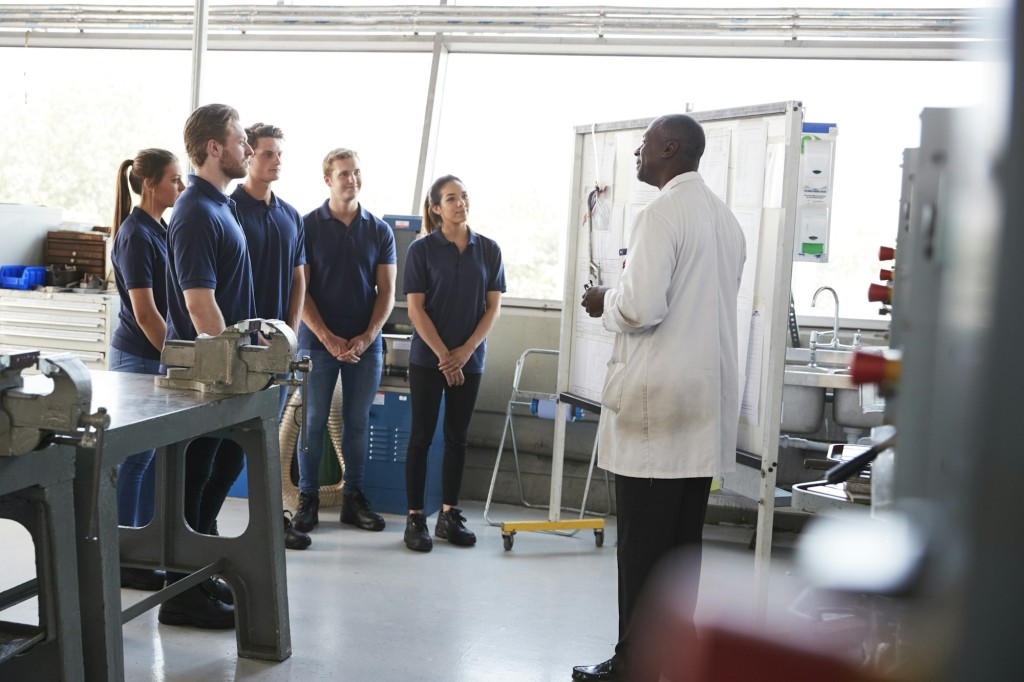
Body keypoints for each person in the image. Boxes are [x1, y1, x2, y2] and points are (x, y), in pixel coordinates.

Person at [573, 114, 747, 682]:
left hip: (659, 410)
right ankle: (675, 657)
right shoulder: (725, 220)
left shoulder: (660, 214)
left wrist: (604, 298)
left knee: (644, 550)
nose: (638, 156)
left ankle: (635, 665)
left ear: (670, 148)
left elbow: (640, 308)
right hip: (700, 407)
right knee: (679, 549)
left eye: (644, 146)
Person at [158, 103, 256, 630]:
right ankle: (181, 595)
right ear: (214, 148)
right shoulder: (195, 210)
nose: (246, 148)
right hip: (207, 373)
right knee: (196, 476)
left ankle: (197, 574)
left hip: (226, 368)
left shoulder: (222, 205)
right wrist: (232, 364)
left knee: (224, 467)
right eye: (240, 140)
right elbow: (199, 304)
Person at [292, 148, 396, 535]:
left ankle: (354, 499)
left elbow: (387, 292)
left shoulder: (379, 230)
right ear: (327, 180)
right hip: (318, 343)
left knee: (356, 423)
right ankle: (308, 500)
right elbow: (300, 290)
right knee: (313, 422)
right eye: (343, 174)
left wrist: (366, 337)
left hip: (365, 345)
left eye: (355, 173)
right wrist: (328, 337)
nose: (351, 179)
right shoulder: (306, 226)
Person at [402, 175, 505, 553]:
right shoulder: (421, 251)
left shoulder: (489, 250)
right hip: (429, 360)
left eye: (463, 196)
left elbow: (492, 309)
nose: (460, 203)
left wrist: (464, 352)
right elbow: (415, 309)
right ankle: (415, 518)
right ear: (435, 209)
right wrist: (447, 356)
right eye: (451, 198)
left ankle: (449, 515)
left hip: (470, 360)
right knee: (421, 437)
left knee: (457, 438)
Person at [230, 121, 310, 551]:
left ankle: (271, 525)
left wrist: (291, 334)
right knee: (227, 447)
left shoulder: (290, 215)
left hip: (277, 352)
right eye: (267, 153)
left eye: (279, 153)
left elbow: (299, 280)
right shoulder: (229, 209)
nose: (276, 160)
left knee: (267, 443)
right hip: (239, 350)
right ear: (248, 156)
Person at [109, 148, 184, 591]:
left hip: (154, 356)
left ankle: (139, 550)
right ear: (151, 184)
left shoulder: (161, 228)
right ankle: (123, 559)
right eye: (175, 179)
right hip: (139, 357)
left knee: (149, 460)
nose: (180, 187)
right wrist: (178, 358)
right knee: (134, 461)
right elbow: (146, 312)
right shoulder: (135, 235)